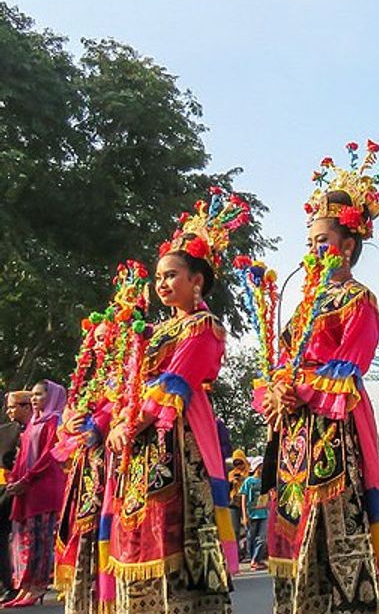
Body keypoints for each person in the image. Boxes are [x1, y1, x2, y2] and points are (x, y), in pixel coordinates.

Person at [258, 141, 379, 614]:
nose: (314, 250)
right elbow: (283, 361)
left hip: (333, 430)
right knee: (293, 523)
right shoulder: (301, 309)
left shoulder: (359, 301)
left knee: (336, 522)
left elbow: (346, 371)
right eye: (310, 243)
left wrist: (295, 389)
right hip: (296, 430)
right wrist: (278, 389)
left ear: (348, 246)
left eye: (322, 242)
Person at [104, 189, 249, 612]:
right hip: (140, 441)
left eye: (171, 275)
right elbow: (130, 384)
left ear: (196, 280)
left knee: (174, 524)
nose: (162, 283)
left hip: (177, 438)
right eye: (159, 277)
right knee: (137, 529)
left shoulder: (203, 327)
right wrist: (118, 421)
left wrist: (128, 425)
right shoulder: (154, 333)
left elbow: (175, 383)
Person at [55, 262, 151, 614]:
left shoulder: (133, 368)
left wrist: (98, 425)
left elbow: (127, 404)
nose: (99, 344)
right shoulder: (95, 381)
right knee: (85, 538)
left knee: (108, 537)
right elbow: (68, 425)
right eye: (95, 340)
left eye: (105, 337)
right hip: (86, 471)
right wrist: (70, 421)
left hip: (113, 465)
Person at [4, 380, 67, 607]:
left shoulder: (53, 421)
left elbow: (49, 455)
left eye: (39, 395)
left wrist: (26, 479)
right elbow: (22, 457)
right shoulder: (33, 422)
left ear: (51, 397)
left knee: (41, 540)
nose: (34, 399)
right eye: (33, 395)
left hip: (43, 488)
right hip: (26, 489)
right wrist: (15, 480)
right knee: (24, 539)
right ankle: (25, 586)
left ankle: (38, 586)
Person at [0, 392, 29, 603]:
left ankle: (17, 585)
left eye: (13, 406)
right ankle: (8, 584)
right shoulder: (6, 431)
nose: (9, 411)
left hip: (23, 489)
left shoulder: (41, 427)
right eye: (8, 407)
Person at [240, 459, 268, 570]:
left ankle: (256, 560)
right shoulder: (249, 481)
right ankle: (254, 559)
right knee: (251, 537)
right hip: (252, 514)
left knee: (262, 538)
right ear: (257, 467)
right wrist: (244, 515)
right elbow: (244, 498)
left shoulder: (265, 481)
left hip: (264, 513)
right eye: (261, 466)